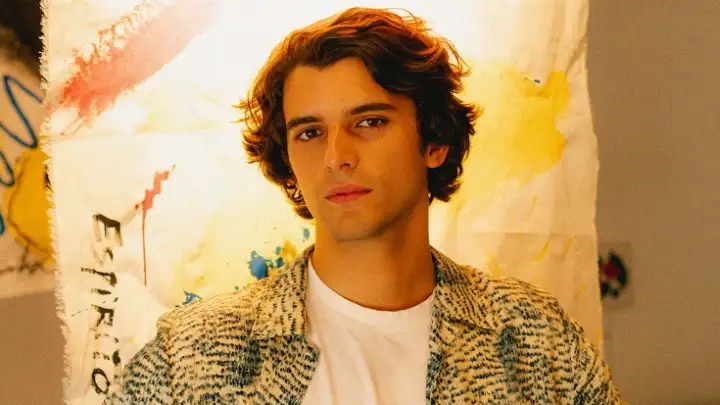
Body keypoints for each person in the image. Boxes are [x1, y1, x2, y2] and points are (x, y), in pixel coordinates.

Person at [106, 7, 625, 404]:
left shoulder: (536, 341)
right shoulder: (194, 356)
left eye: (370, 121)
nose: (337, 156)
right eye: (310, 132)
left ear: (434, 140)